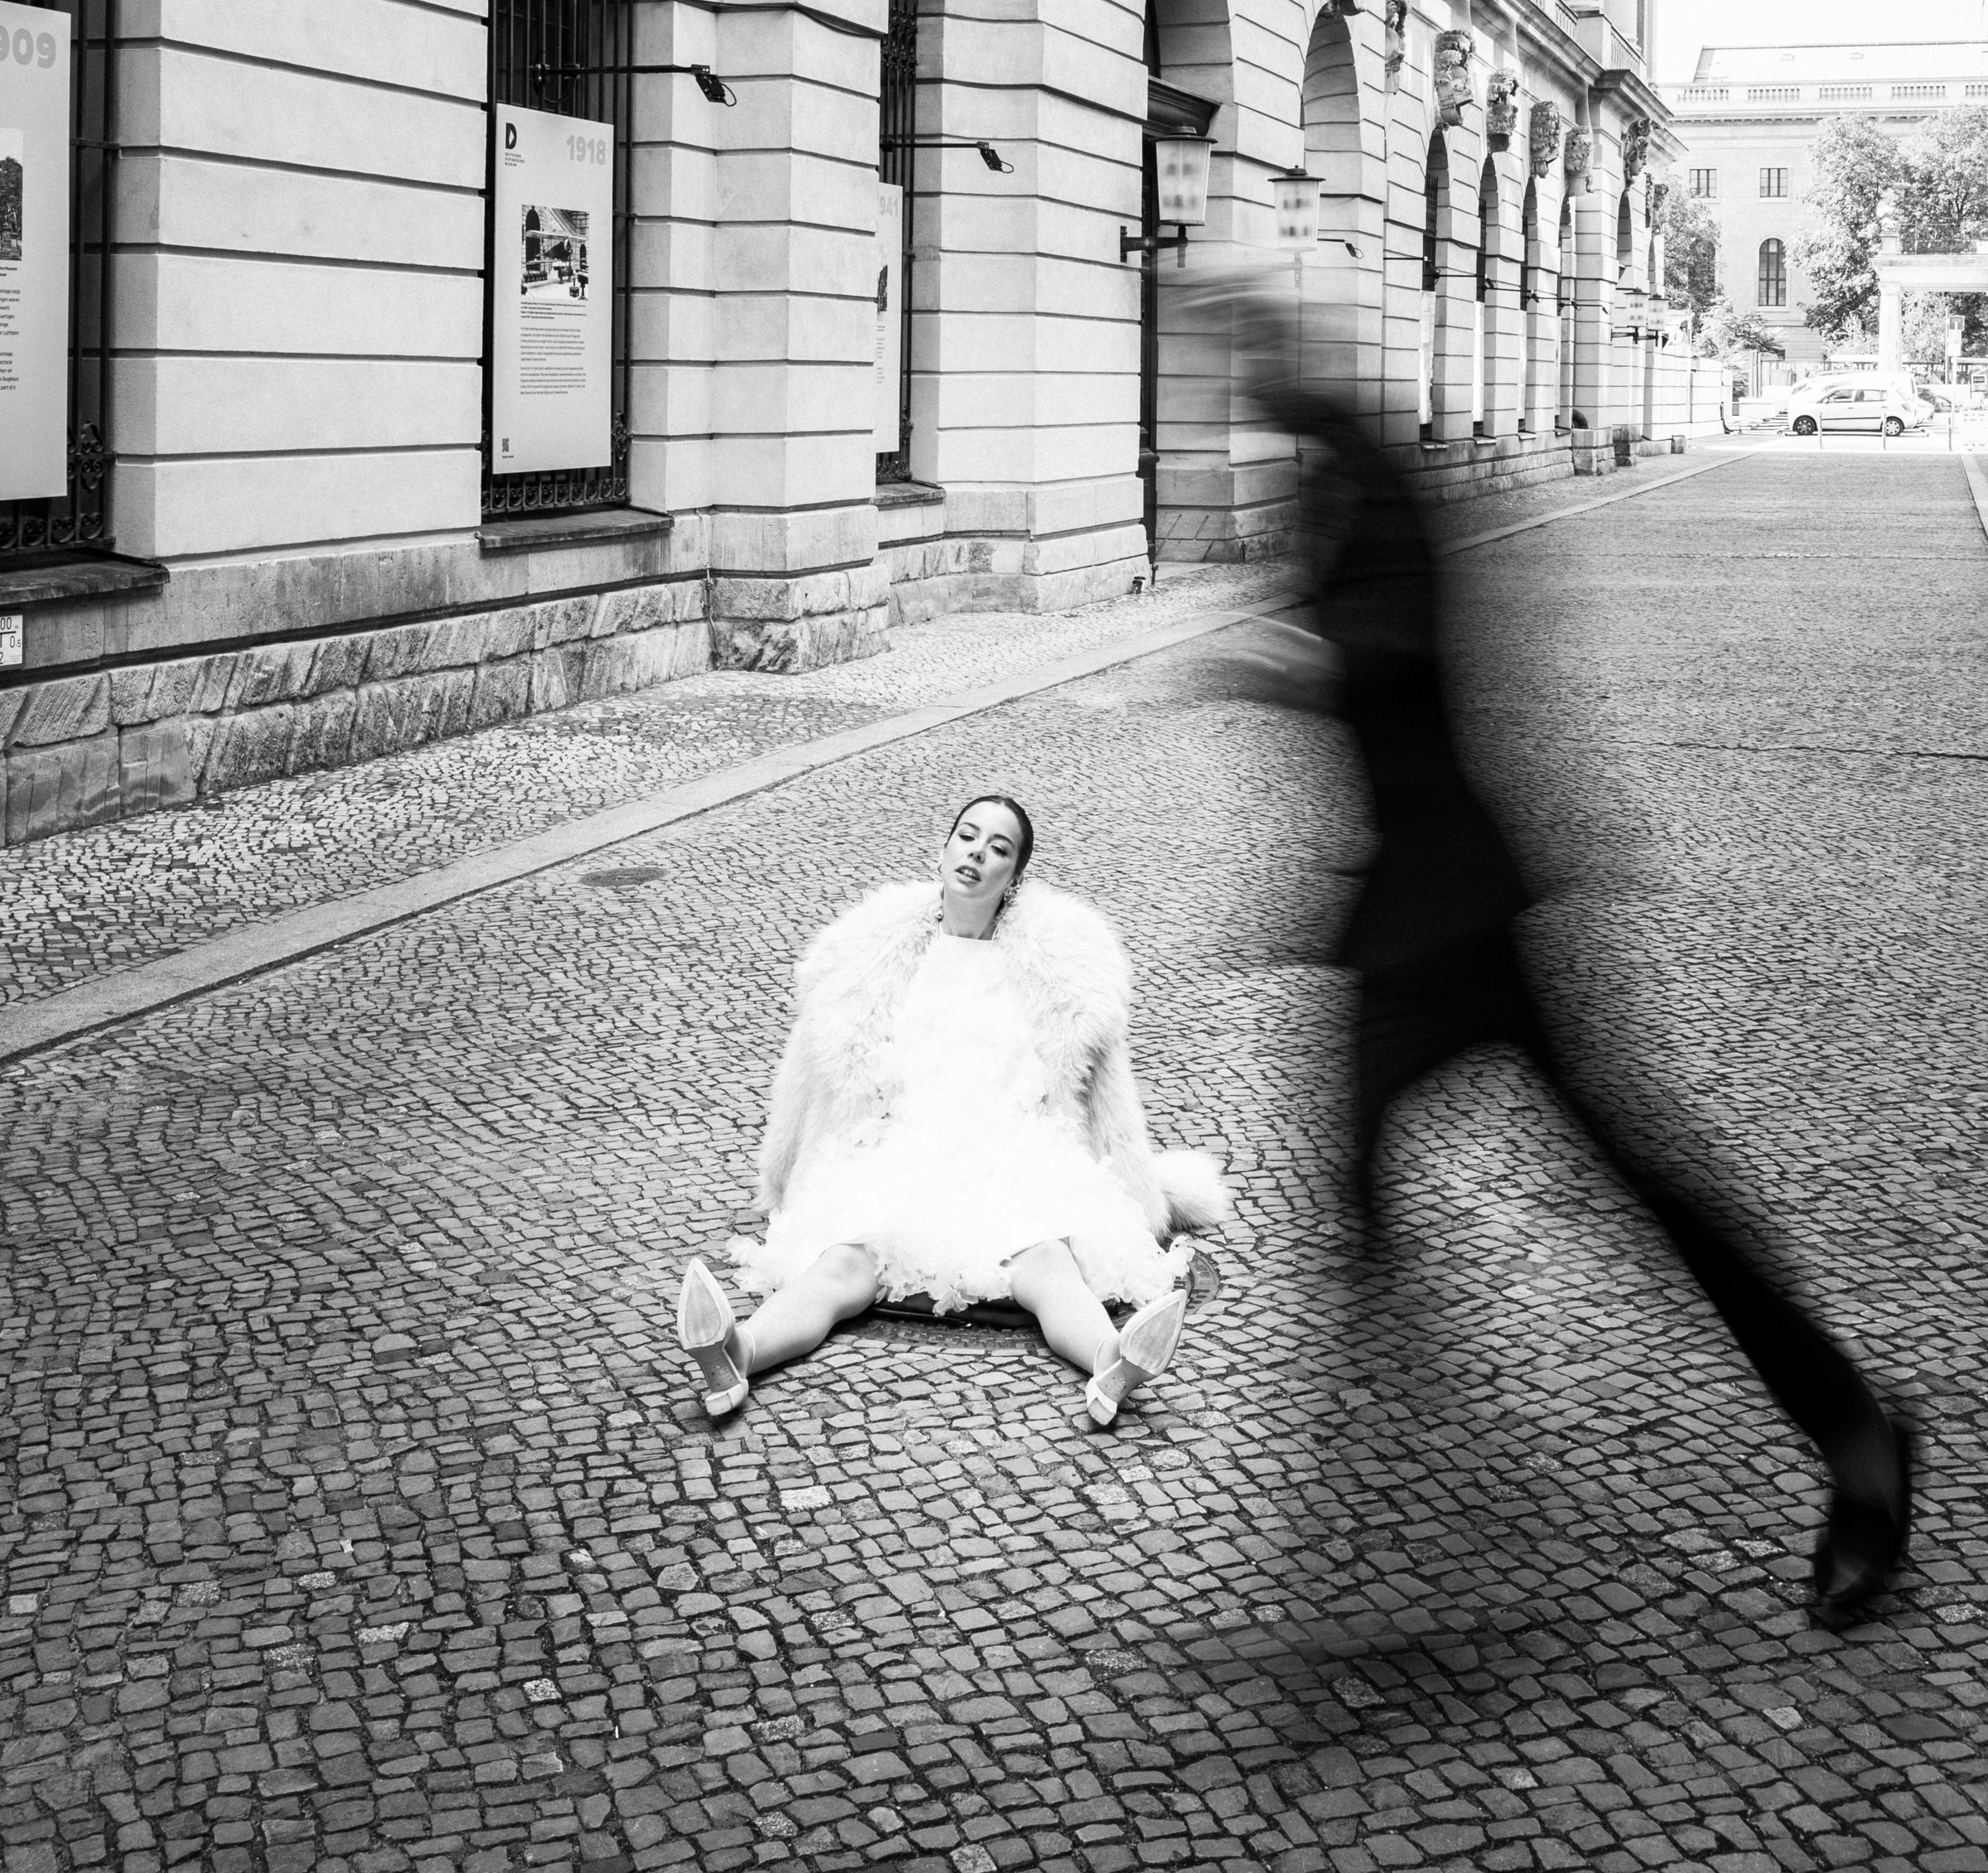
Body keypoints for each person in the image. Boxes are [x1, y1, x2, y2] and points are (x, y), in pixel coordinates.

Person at [1226, 357, 1913, 1633]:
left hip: (1472, 925)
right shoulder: (1341, 538)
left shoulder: (1397, 543)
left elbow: (1392, 647)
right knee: (1357, 1189)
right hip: (1398, 927)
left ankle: (1862, 1443)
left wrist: (1288, 663)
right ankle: (1384, 1495)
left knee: (1641, 1187)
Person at [674, 794, 1228, 1428]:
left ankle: (1112, 1362)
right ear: (943, 850)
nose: (976, 853)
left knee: (1046, 1260)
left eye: (998, 848)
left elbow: (1105, 1097)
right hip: (901, 1148)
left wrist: (1135, 1188)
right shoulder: (873, 956)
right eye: (967, 836)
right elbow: (812, 1079)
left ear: (1014, 878)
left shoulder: (1053, 968)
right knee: (843, 1263)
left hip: (1010, 1152)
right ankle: (736, 1353)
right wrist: (789, 1172)